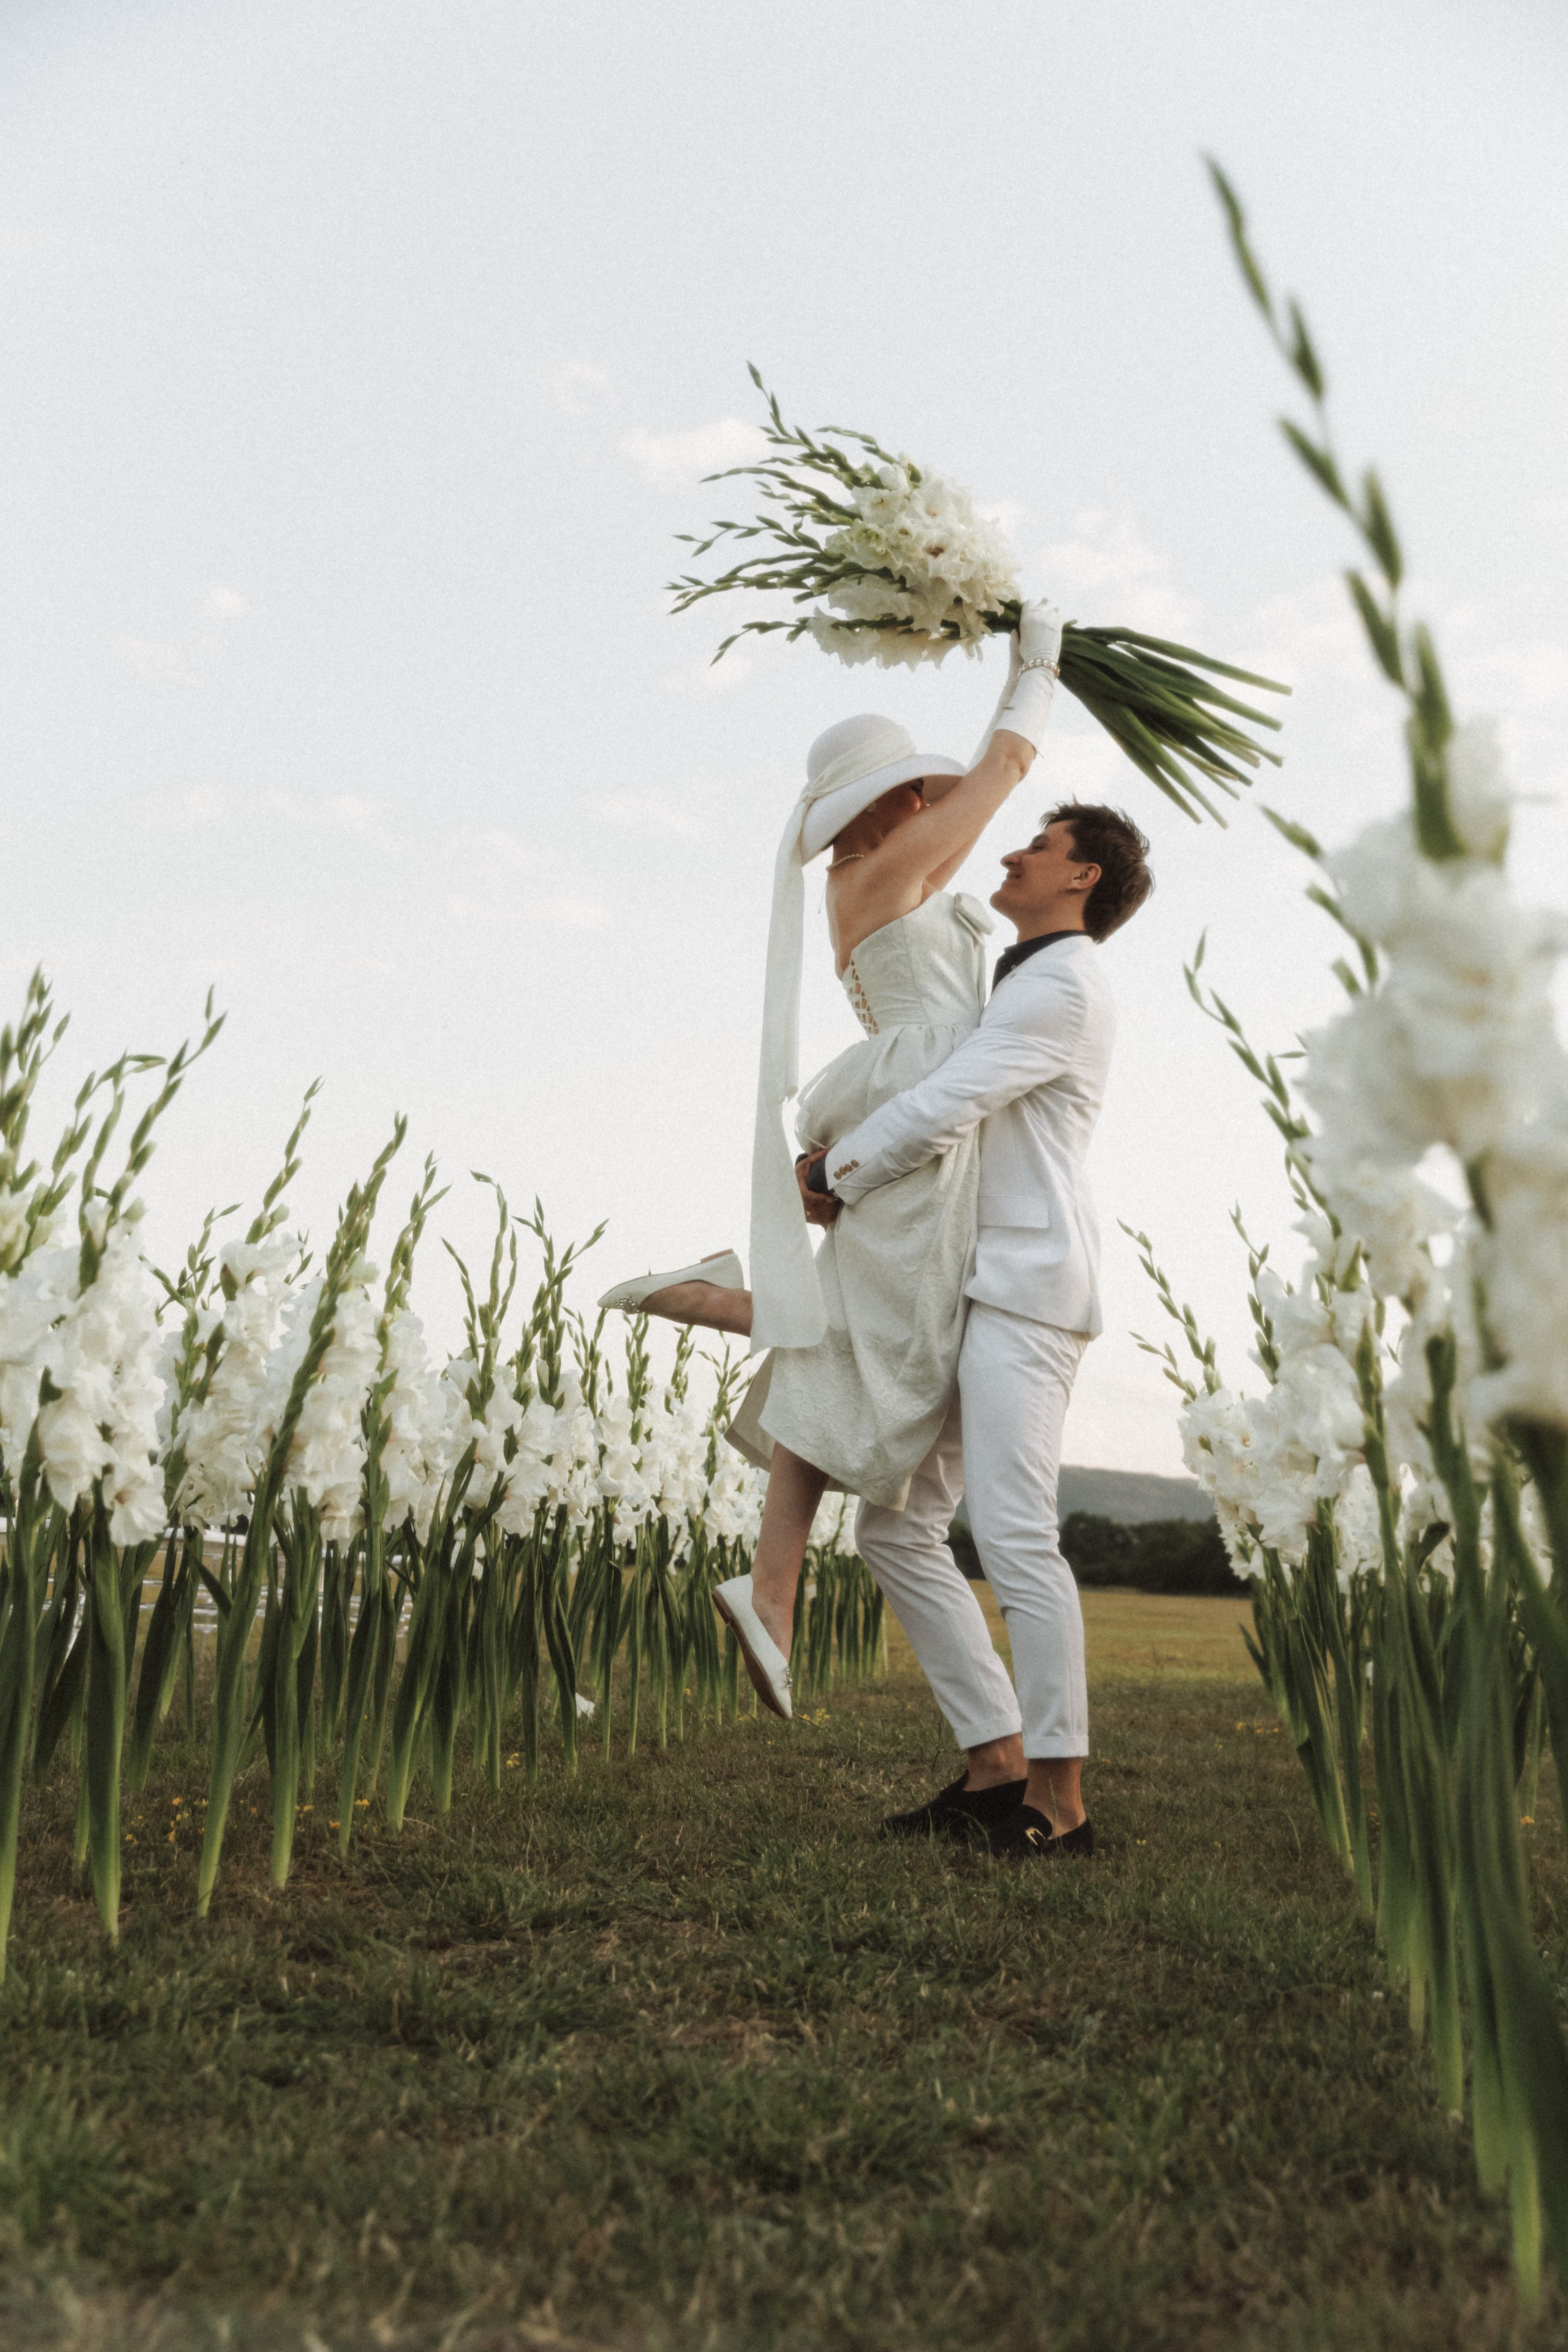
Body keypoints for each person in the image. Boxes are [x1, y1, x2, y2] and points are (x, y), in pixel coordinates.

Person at [598, 601, 1066, 1722]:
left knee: (860, 1330)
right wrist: (1036, 662)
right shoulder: (876, 873)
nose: (933, 801)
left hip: (927, 1109)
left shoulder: (888, 872)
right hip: (917, 1115)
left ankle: (772, 1589)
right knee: (878, 1334)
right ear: (895, 800)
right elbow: (1004, 766)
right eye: (918, 788)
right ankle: (718, 1314)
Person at [799, 797, 1153, 1858]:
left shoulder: (1064, 985)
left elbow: (948, 1099)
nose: (1012, 851)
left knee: (1013, 1533)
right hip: (969, 1281)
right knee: (895, 1527)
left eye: (1040, 846)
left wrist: (835, 1172)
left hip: (1028, 1288)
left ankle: (1060, 1803)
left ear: (1084, 878)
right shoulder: (1022, 976)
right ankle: (995, 1766)